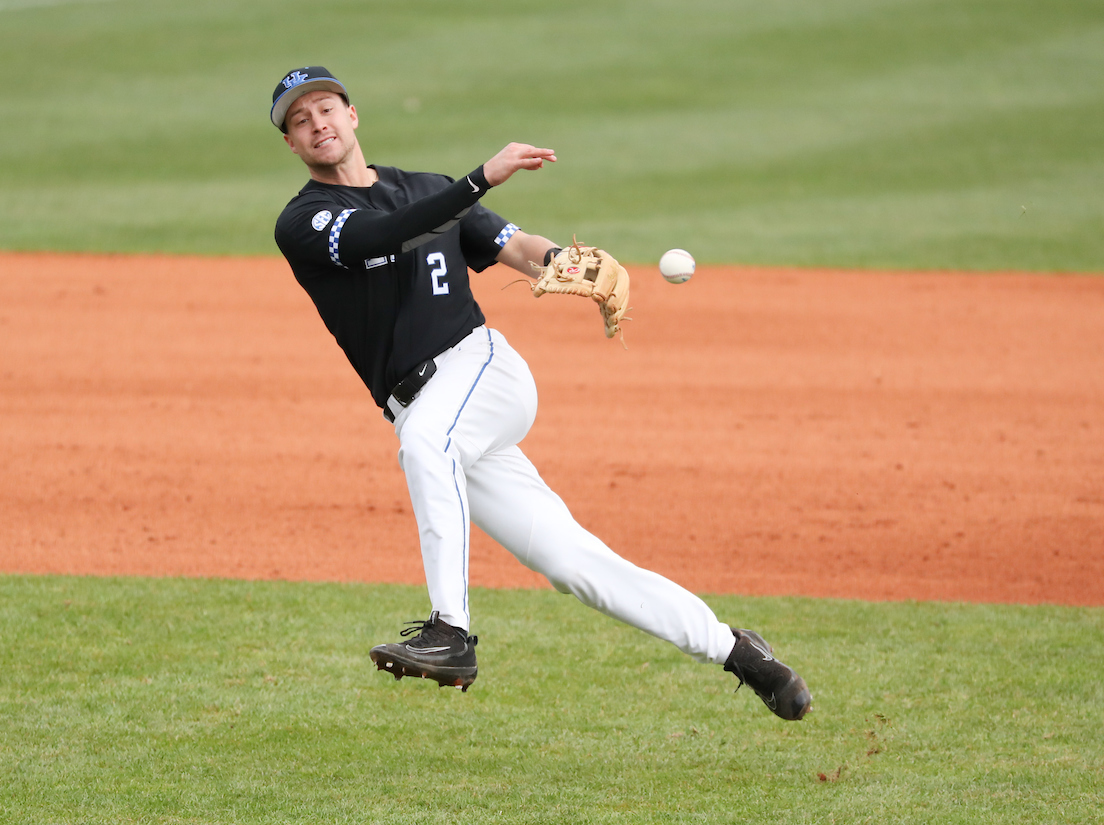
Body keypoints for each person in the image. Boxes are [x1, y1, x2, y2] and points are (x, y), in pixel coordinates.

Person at [270, 66, 811, 720]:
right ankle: (737, 650)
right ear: (292, 145)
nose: (317, 124)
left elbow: (514, 247)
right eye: (300, 121)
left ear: (353, 115)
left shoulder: (428, 189)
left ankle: (449, 630)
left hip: (481, 371)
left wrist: (571, 263)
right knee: (569, 561)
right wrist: (480, 178)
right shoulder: (305, 220)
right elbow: (382, 236)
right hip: (435, 410)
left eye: (325, 109)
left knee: (424, 444)